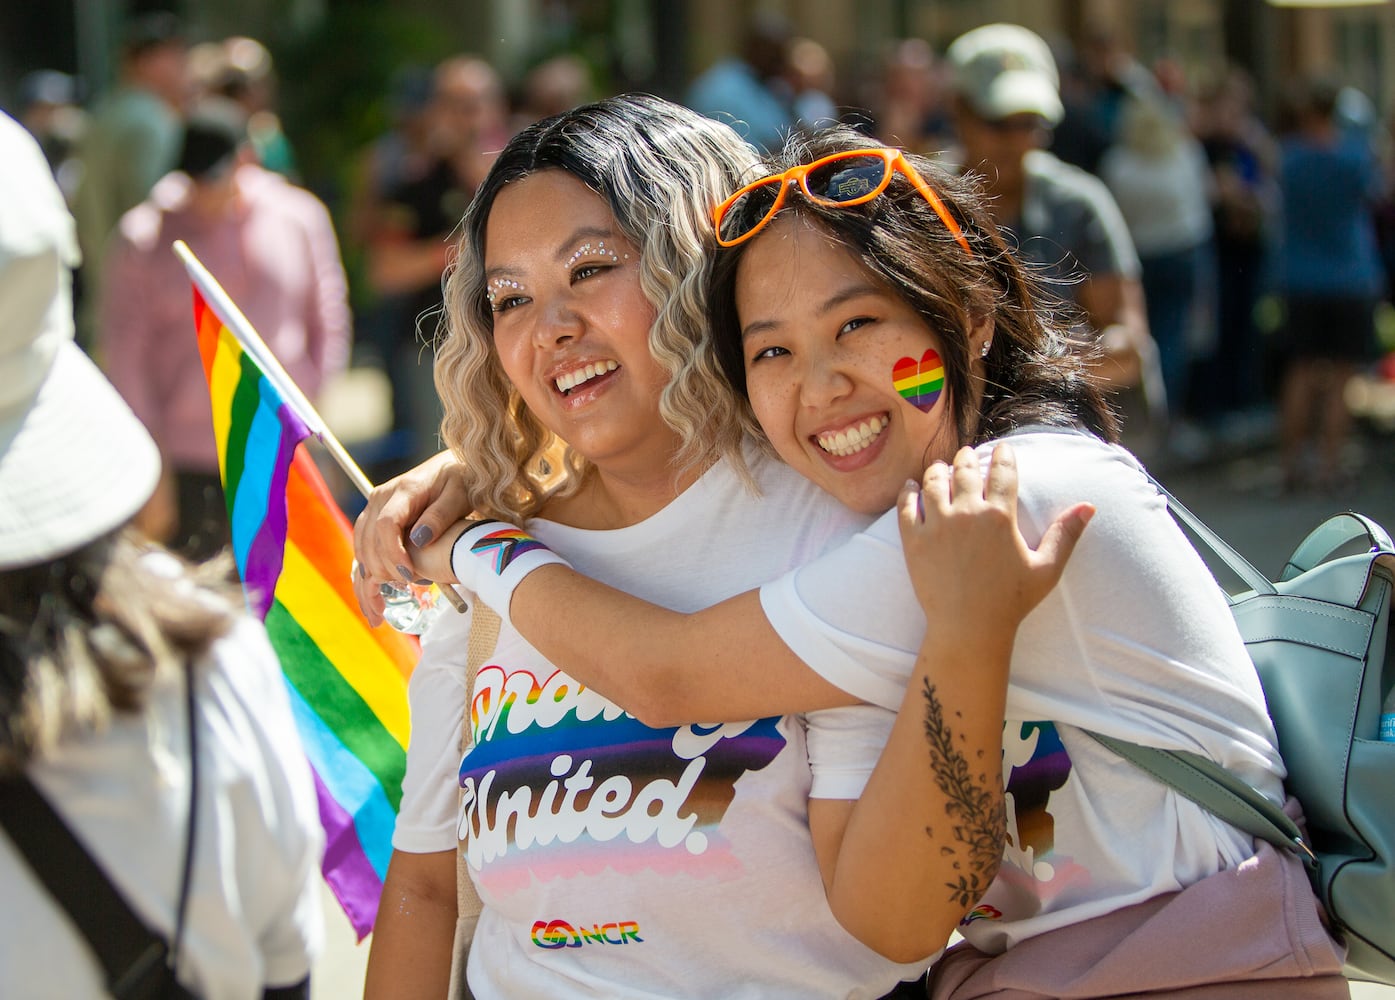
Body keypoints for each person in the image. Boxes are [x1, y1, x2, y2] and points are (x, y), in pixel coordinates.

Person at [366, 126, 1347, 997]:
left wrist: (477, 541)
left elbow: (668, 674)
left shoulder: (1001, 503)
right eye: (774, 352)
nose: (824, 386)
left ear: (964, 320)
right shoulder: (906, 507)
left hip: (1196, 963)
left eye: (858, 326)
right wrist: (493, 468)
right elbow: (423, 883)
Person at [0, 110, 324, 1000]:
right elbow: (284, 963)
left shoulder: (293, 216)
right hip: (175, 457)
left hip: (248, 455)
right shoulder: (211, 660)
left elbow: (320, 311)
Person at [99, 99, 351, 560]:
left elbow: (328, 318)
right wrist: (152, 469)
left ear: (244, 161)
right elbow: (126, 357)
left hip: (281, 448)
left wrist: (310, 416)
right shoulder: (143, 236)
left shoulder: (298, 217)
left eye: (212, 177)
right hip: (189, 460)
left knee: (288, 613)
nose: (200, 191)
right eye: (192, 177)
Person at [943, 23, 1164, 447]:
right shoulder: (924, 205)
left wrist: (1013, 374)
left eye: (1031, 123)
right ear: (958, 109)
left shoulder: (1079, 204)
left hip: (1073, 437)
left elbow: (1127, 349)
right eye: (1000, 122)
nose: (1019, 140)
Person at [364, 55, 508, 470]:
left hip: (518, 341)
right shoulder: (414, 187)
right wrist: (458, 251)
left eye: (476, 102)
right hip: (438, 350)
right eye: (453, 104)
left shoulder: (527, 177)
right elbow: (384, 270)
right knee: (445, 467)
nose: (467, 117)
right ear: (434, 110)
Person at [1274, 75, 1384, 495]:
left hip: (1300, 278)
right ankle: (1328, 466)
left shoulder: (1289, 158)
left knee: (1300, 371)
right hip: (1349, 278)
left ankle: (1288, 466)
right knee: (1341, 376)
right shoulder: (1353, 158)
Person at [72, 11, 189, 352]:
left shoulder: (101, 115)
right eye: (175, 55)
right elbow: (159, 218)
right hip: (148, 319)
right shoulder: (150, 121)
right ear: (146, 61)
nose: (184, 66)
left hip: (104, 303)